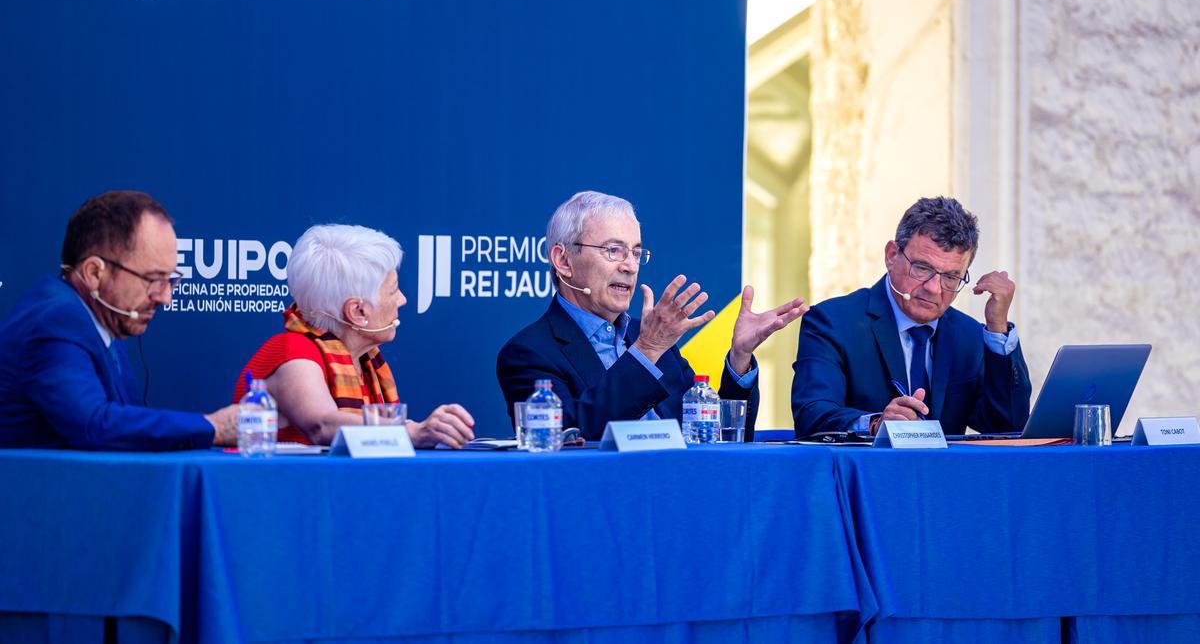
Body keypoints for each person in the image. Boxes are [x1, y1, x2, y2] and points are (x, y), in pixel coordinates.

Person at [497, 191, 807, 441]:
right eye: (613, 250)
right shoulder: (528, 353)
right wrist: (647, 350)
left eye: (635, 252)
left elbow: (713, 434)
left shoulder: (650, 338)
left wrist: (739, 357)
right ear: (563, 260)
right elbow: (571, 438)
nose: (630, 265)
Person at [0, 190, 238, 450]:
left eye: (170, 280)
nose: (166, 297)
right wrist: (213, 427)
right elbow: (94, 424)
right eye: (154, 279)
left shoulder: (102, 321)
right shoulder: (56, 321)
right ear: (94, 273)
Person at [791, 196, 1032, 437]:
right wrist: (875, 424)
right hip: (866, 472)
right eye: (922, 268)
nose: (934, 288)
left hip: (943, 474)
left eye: (950, 277)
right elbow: (812, 414)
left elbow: (1007, 426)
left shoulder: (968, 334)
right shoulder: (833, 321)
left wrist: (998, 328)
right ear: (891, 255)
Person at [233, 224, 476, 448]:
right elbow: (322, 426)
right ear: (357, 312)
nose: (403, 300)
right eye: (393, 290)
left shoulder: (364, 360)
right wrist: (411, 431)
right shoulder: (292, 352)